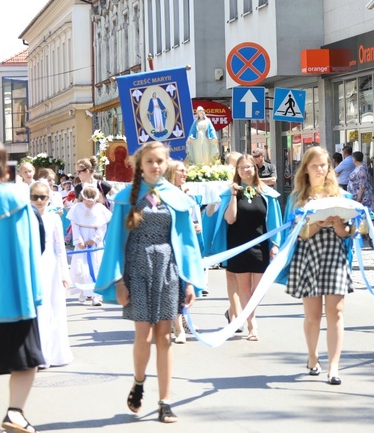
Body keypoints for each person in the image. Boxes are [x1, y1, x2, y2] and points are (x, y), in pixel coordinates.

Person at [94, 141, 206, 423]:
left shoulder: (176, 197)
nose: (156, 166)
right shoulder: (126, 198)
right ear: (139, 166)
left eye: (160, 161)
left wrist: (189, 282)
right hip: (137, 269)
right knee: (143, 337)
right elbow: (115, 242)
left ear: (166, 163)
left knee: (165, 338)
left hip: (167, 268)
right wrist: (119, 281)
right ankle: (139, 381)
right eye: (150, 162)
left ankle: (165, 401)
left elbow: (187, 242)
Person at [280, 147, 353, 385]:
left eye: (324, 165)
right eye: (315, 166)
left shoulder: (340, 195)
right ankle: (312, 356)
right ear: (306, 169)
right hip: (309, 255)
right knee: (313, 315)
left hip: (334, 255)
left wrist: (339, 225)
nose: (320, 169)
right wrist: (318, 224)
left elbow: (347, 233)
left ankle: (334, 367)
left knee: (337, 312)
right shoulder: (298, 198)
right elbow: (296, 235)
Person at [0, 137, 44, 433]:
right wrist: (35, 293)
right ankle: (15, 412)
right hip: (13, 299)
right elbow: (29, 249)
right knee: (27, 361)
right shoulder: (16, 199)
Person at [210, 154, 282, 341]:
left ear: (254, 169)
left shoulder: (266, 194)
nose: (244, 171)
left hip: (260, 245)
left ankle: (248, 317)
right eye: (241, 168)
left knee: (257, 290)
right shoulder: (231, 193)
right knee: (244, 288)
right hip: (238, 245)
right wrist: (234, 194)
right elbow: (230, 219)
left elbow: (273, 221)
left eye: (248, 167)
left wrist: (275, 244)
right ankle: (252, 324)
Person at [30, 181, 73, 368]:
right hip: (32, 267)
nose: (39, 201)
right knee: (38, 311)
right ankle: (38, 354)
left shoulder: (54, 218)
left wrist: (65, 273)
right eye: (35, 197)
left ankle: (52, 354)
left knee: (52, 310)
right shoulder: (26, 218)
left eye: (43, 197)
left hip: (51, 267)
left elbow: (60, 247)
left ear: (49, 198)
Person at [164, 160, 203, 344]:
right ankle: (178, 327)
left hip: (184, 245)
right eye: (181, 170)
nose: (185, 173)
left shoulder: (184, 193)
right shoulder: (164, 195)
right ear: (172, 172)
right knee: (174, 285)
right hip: (169, 246)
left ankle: (184, 321)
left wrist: (193, 226)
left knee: (185, 283)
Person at [67, 185, 112, 306]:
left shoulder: (100, 209)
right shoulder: (77, 208)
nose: (89, 203)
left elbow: (103, 226)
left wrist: (94, 239)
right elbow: (74, 224)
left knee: (96, 266)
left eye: (92, 201)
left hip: (94, 242)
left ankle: (96, 295)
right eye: (87, 200)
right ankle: (84, 290)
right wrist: (78, 240)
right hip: (81, 239)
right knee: (81, 267)